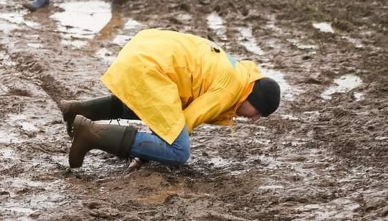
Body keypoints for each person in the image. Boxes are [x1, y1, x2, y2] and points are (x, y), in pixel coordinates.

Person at [61, 28, 281, 168]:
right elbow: (184, 122)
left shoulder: (240, 73)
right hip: (151, 68)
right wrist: (145, 153)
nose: (255, 119)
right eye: (259, 112)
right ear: (254, 98)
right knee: (178, 151)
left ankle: (81, 110)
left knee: (145, 107)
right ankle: (90, 134)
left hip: (143, 50)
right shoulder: (230, 90)